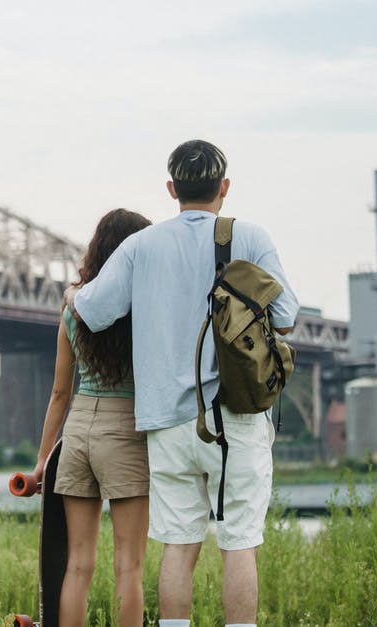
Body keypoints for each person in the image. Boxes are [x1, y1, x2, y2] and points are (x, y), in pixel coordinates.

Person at [66, 140, 298, 627]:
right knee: (239, 545)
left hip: (165, 423)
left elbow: (93, 310)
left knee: (178, 545)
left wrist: (73, 291)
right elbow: (286, 317)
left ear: (171, 189)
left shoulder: (139, 246)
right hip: (234, 417)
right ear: (225, 188)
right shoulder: (249, 236)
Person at [31, 208, 154, 627]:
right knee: (129, 565)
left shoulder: (73, 307)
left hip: (78, 432)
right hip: (126, 433)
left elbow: (59, 393)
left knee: (78, 564)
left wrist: (41, 462)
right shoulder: (145, 308)